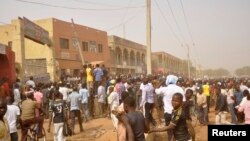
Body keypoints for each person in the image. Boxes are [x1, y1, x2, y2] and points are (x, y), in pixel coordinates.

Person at [155, 74, 185, 141]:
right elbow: (184, 101)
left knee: (169, 132)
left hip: (168, 113)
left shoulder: (165, 89)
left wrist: (161, 82)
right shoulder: (180, 89)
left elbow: (156, 90)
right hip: (178, 114)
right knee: (179, 131)